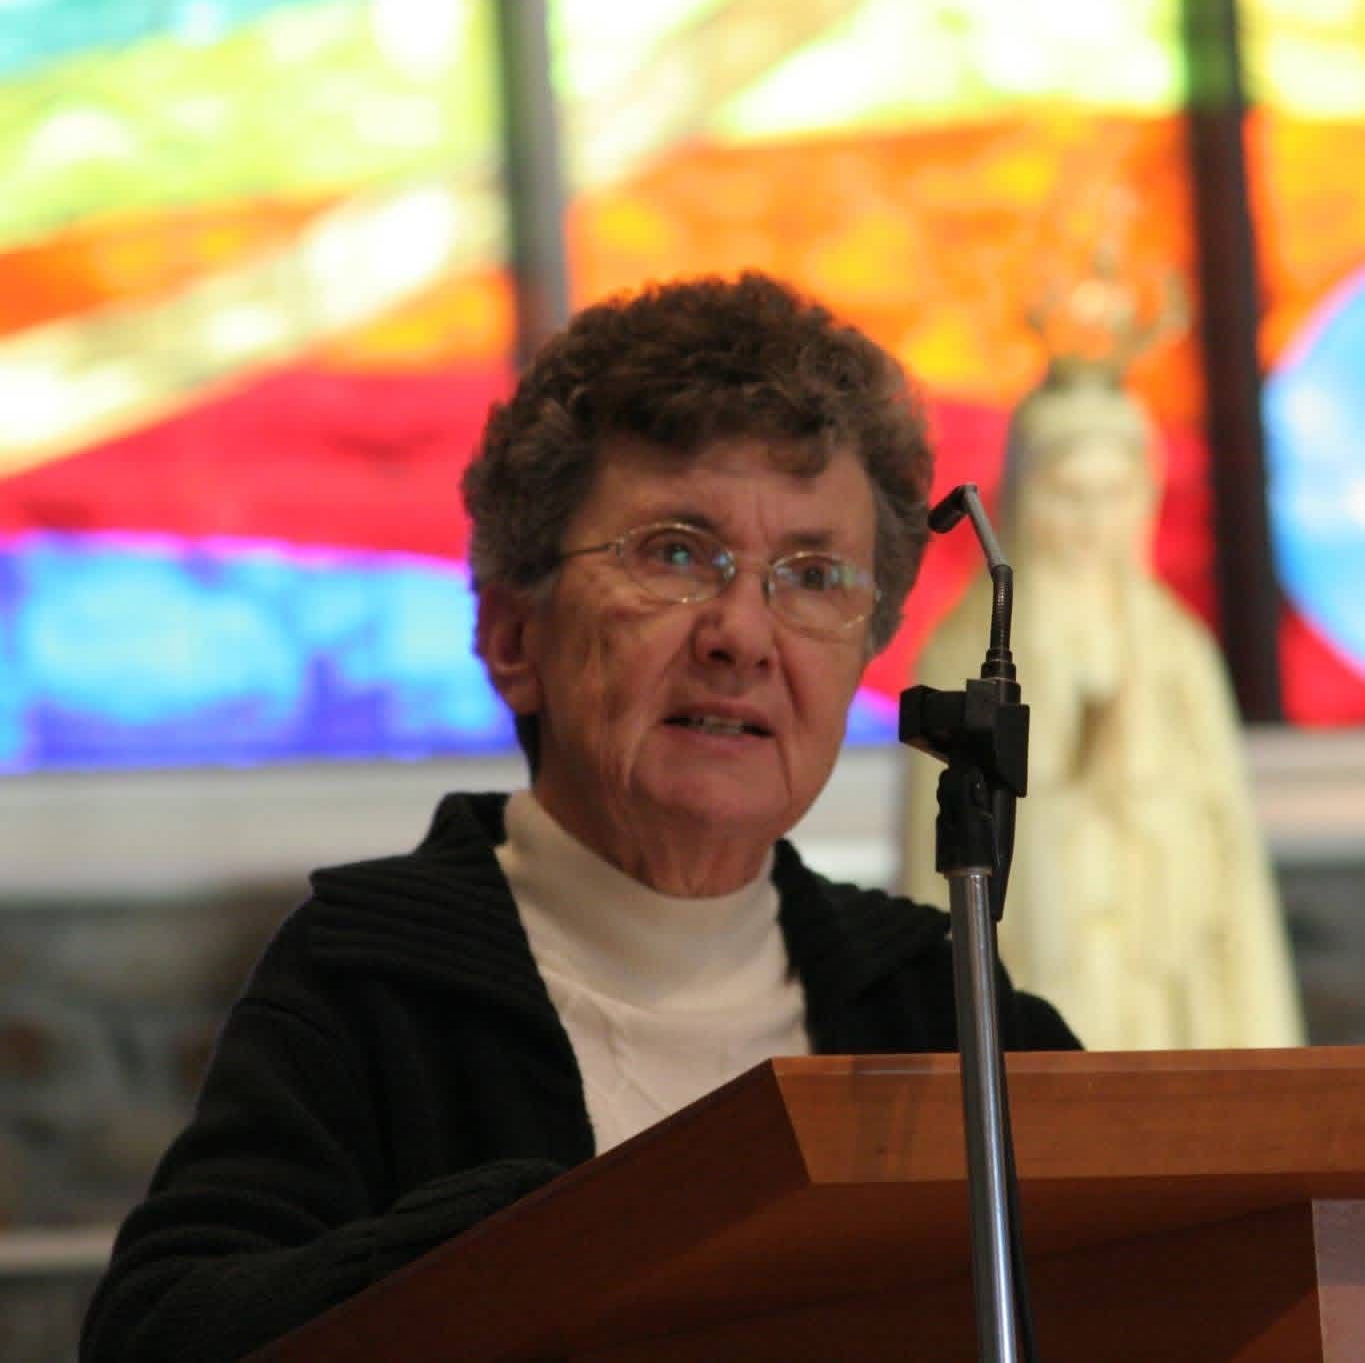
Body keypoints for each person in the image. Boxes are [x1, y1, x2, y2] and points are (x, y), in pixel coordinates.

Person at [82, 272, 1078, 1363]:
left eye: (811, 573)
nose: (743, 634)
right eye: (677, 554)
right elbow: (161, 1338)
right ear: (516, 640)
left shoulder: (941, 1012)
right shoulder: (369, 983)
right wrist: (530, 1239)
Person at [903, 358, 1304, 1050]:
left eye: (1111, 492)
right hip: (1034, 960)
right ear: (1024, 493)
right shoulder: (968, 643)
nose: (1091, 520)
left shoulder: (1176, 649)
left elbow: (1228, 859)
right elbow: (932, 861)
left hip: (1158, 982)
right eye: (1067, 493)